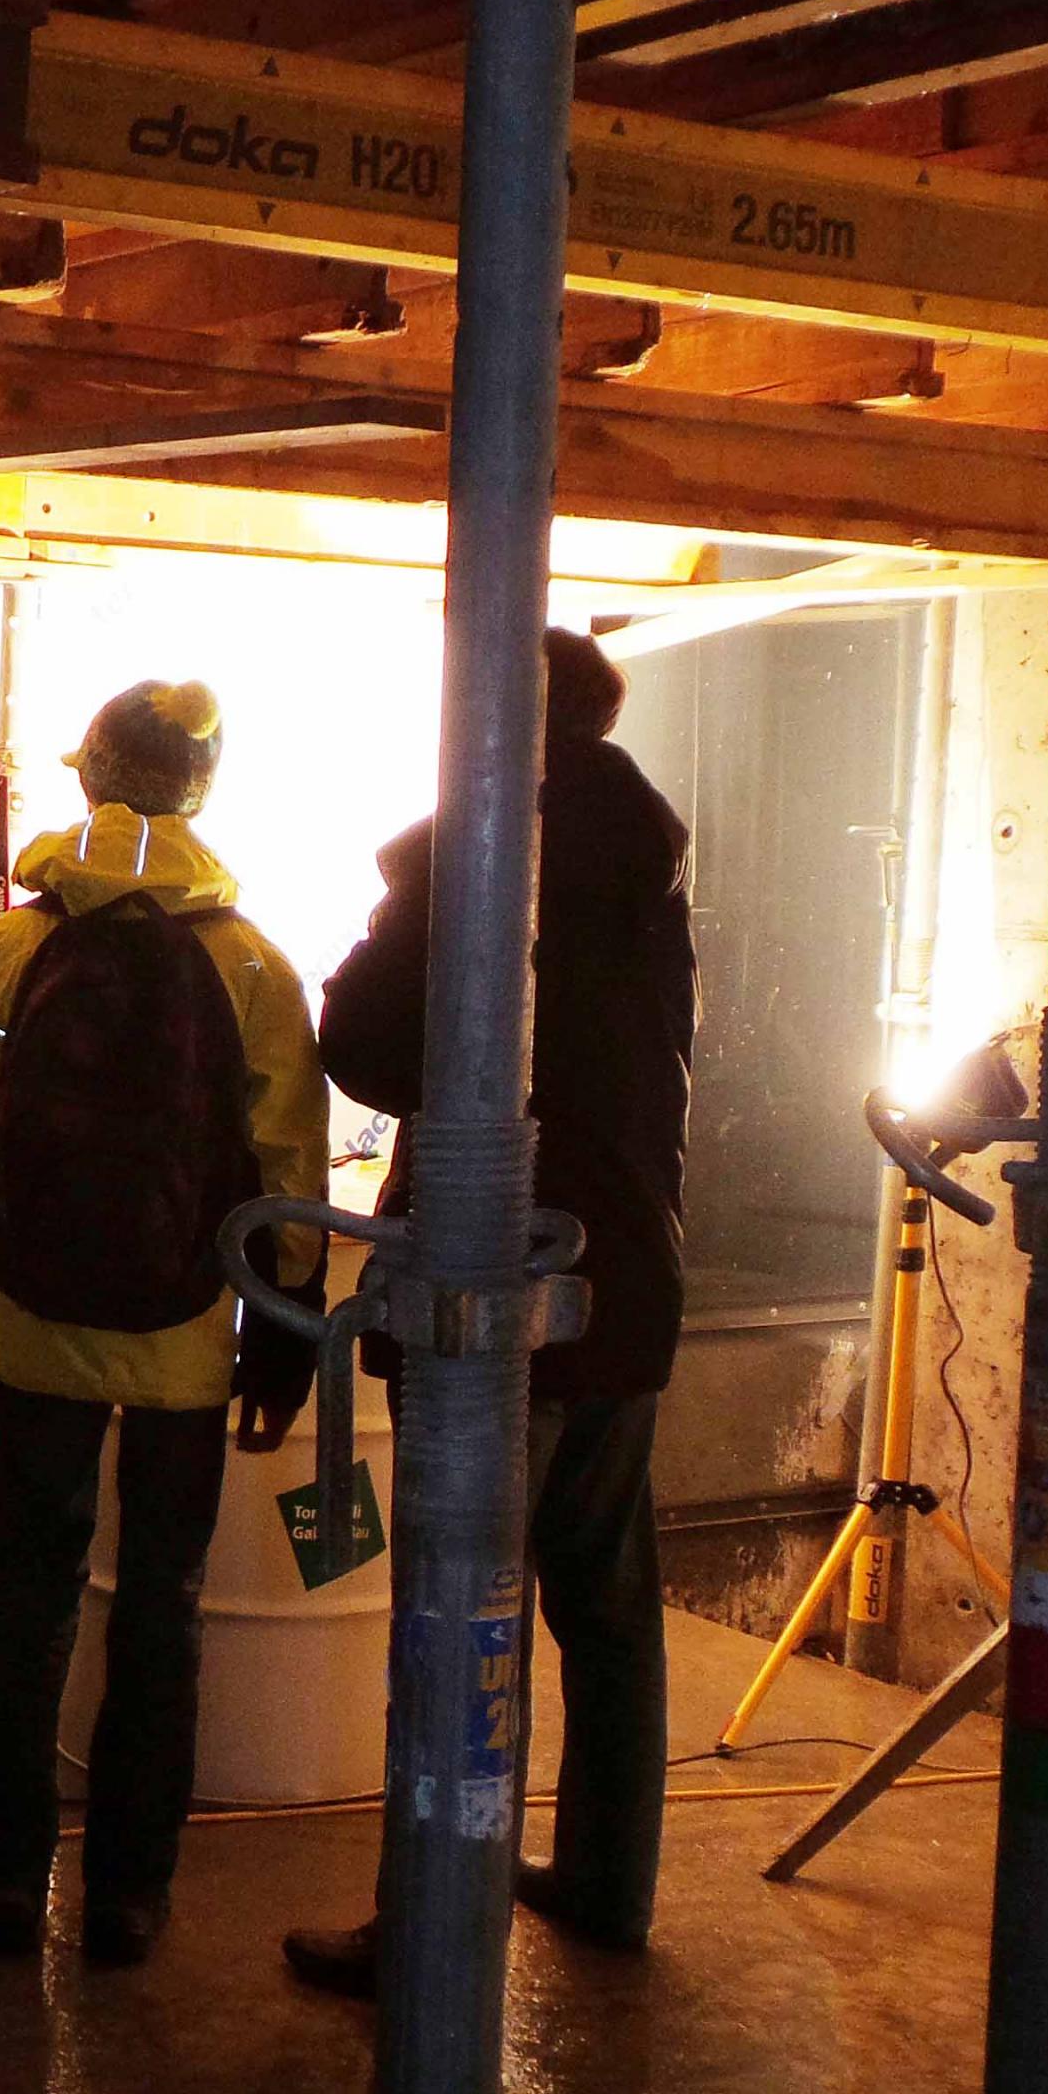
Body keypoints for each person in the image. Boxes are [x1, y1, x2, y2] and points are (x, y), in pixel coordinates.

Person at [282, 626, 695, 1986]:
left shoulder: (478, 857)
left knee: (459, 1610)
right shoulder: (646, 862)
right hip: (621, 1279)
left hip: (486, 1284)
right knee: (607, 1604)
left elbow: (361, 1044)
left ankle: (427, 1925)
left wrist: (397, 902)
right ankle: (609, 1886)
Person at [0, 681, 329, 1966]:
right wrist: (283, 1344)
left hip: (32, 1328)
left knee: (28, 1595)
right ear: (199, 789)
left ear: (91, 777)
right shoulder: (251, 958)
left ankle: (3, 1885)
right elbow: (290, 1173)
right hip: (187, 1342)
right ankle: (127, 1897)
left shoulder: (14, 942)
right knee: (163, 1606)